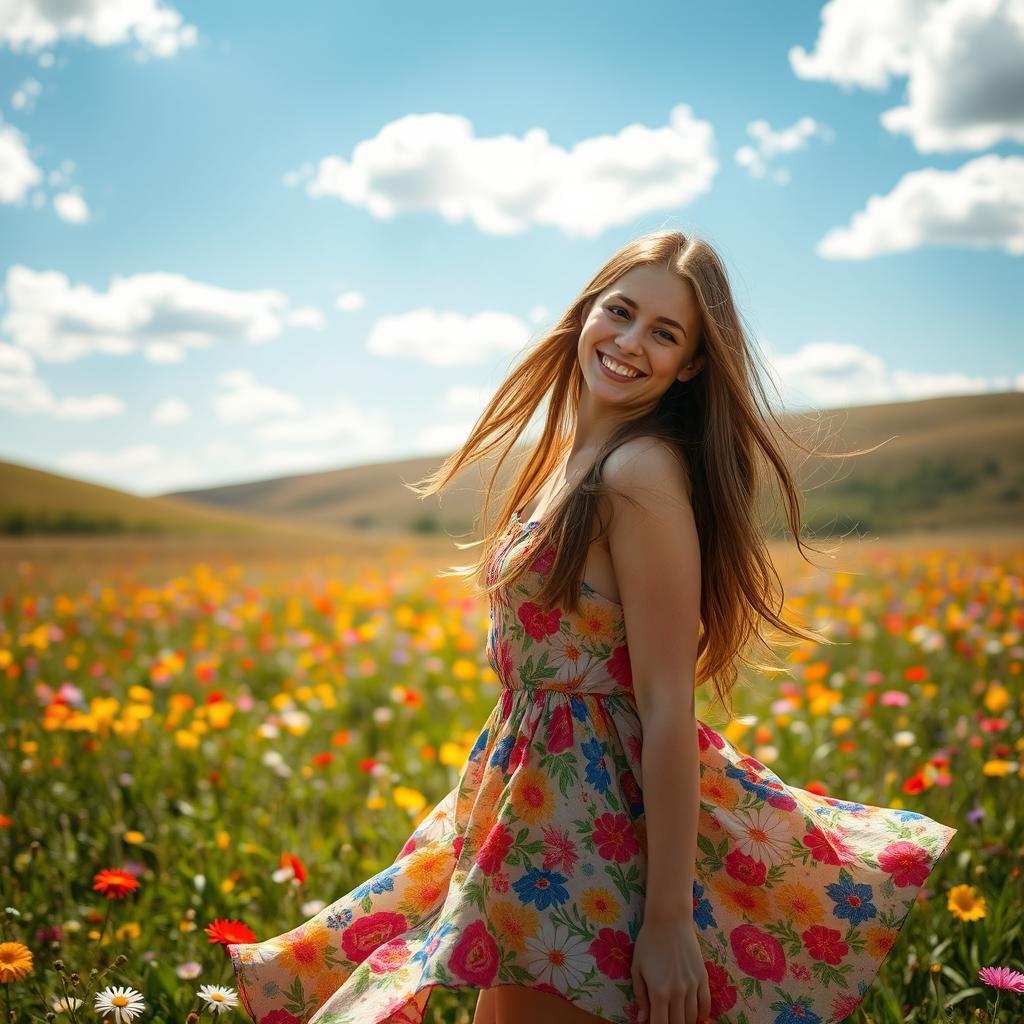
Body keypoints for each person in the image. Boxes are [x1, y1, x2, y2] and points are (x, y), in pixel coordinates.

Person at [226, 230, 957, 1024]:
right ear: (587, 312)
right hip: (533, 815)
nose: (631, 342)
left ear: (692, 365)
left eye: (665, 333)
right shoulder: (572, 460)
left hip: (591, 836)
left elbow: (670, 700)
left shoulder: (638, 473)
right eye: (621, 311)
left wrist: (669, 919)